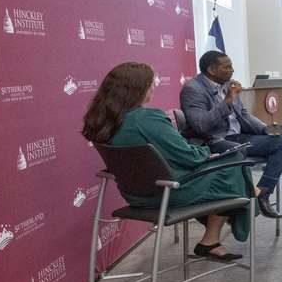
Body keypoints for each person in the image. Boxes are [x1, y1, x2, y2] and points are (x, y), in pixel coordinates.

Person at [85, 62, 254, 258]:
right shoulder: (146, 119)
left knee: (231, 170)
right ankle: (249, 204)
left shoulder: (101, 122)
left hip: (135, 195)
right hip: (169, 192)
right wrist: (206, 153)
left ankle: (212, 239)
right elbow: (188, 156)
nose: (153, 87)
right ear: (136, 89)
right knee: (234, 163)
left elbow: (152, 158)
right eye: (150, 83)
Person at [180, 50, 282, 219]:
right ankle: (238, 206)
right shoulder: (193, 90)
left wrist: (266, 129)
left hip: (239, 136)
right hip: (213, 140)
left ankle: (262, 193)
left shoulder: (227, 84)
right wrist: (227, 102)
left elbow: (244, 114)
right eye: (227, 67)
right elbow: (201, 125)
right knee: (237, 152)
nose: (232, 70)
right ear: (211, 70)